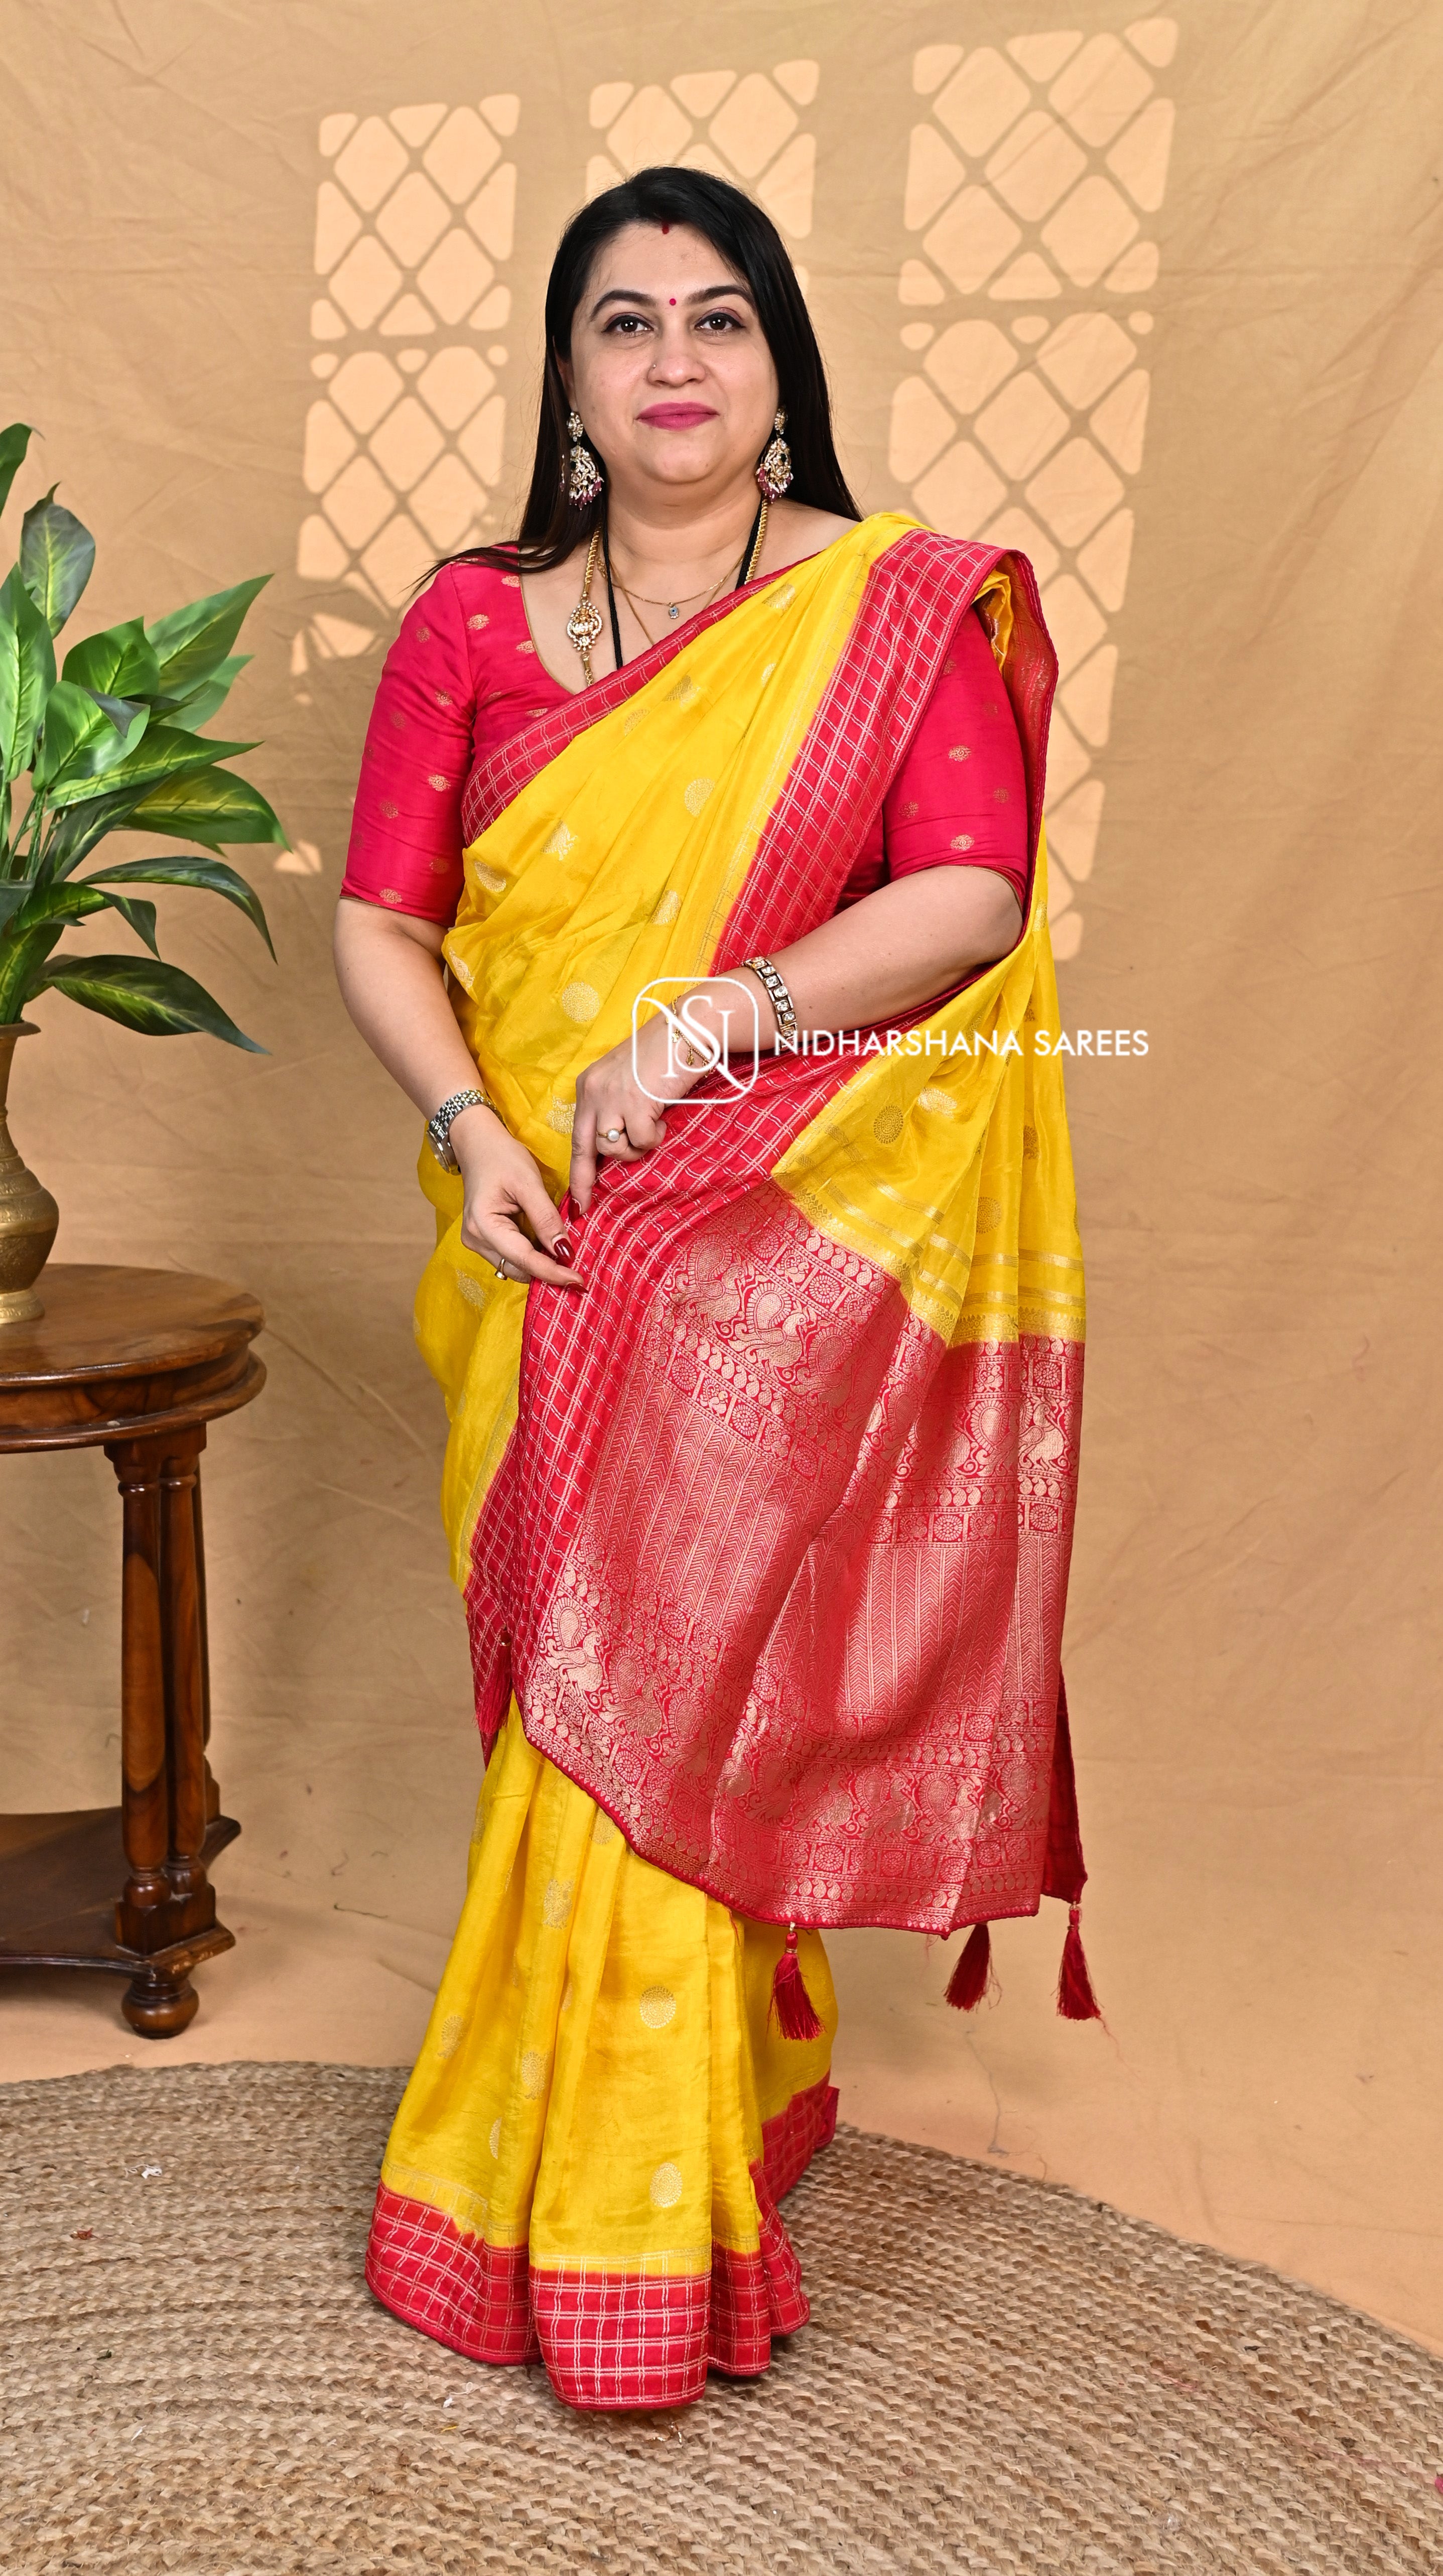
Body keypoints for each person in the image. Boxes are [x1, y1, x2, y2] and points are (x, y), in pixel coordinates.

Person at [334, 164, 1094, 2416]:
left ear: (778, 370)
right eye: (624, 320)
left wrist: (711, 1019)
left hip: (778, 1200)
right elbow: (383, 916)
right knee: (589, 1584)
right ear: (568, 383)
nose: (673, 359)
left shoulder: (890, 605)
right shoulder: (472, 625)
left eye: (719, 317)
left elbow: (967, 891)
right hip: (530, 1204)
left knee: (658, 1602)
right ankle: (647, 2117)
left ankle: (617, 2202)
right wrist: (471, 1126)